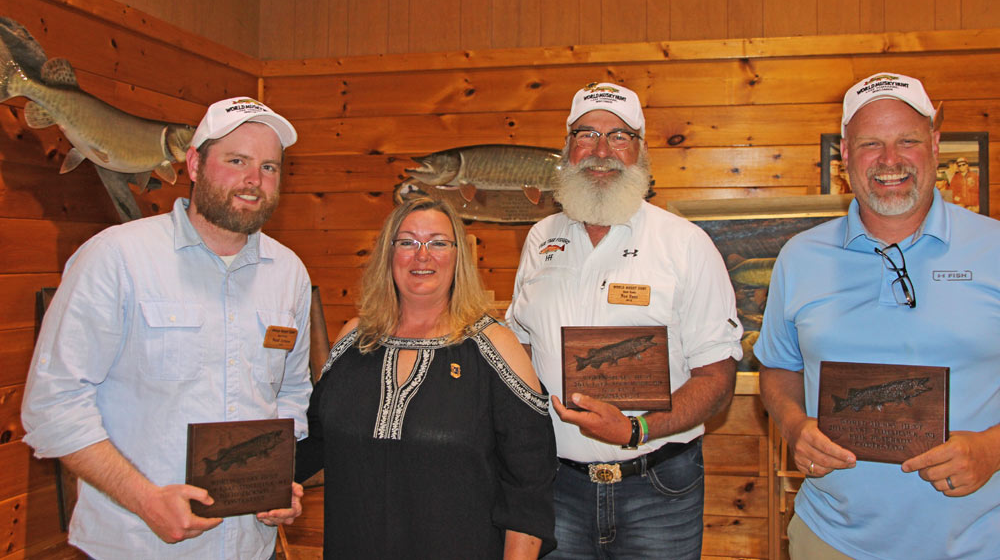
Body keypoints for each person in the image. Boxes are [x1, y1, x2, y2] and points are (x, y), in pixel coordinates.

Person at [21, 97, 313, 559]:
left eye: (269, 167)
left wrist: (277, 479)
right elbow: (53, 405)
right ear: (194, 164)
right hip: (138, 545)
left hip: (249, 548)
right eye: (236, 161)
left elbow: (291, 393)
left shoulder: (289, 273)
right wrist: (146, 500)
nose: (254, 181)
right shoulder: (116, 258)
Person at [755, 72, 1000, 559]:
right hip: (830, 539)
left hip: (978, 541)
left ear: (934, 145)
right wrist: (795, 426)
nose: (890, 160)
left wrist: (993, 449)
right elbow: (778, 367)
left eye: (907, 140)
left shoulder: (994, 247)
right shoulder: (799, 256)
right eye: (871, 144)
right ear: (845, 155)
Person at [506, 82, 743, 559]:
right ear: (568, 148)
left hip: (658, 488)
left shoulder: (686, 244)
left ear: (641, 150)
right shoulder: (540, 238)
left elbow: (717, 380)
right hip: (556, 485)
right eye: (587, 134)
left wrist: (637, 430)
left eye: (619, 136)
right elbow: (520, 351)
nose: (601, 151)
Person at [294, 197, 557, 559]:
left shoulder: (495, 346)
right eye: (408, 242)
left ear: (458, 256)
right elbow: (312, 443)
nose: (422, 256)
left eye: (438, 243)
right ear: (388, 253)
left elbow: (529, 484)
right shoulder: (353, 340)